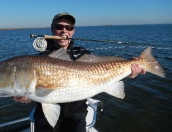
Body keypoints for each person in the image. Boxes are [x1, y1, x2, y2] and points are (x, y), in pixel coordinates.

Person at [14, 12, 146, 132]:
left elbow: (104, 69)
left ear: (73, 31)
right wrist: (24, 98)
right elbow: (31, 91)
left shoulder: (83, 54)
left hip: (76, 113)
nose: (64, 31)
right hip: (44, 112)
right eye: (59, 26)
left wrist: (129, 71)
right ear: (52, 28)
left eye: (69, 27)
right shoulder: (40, 59)